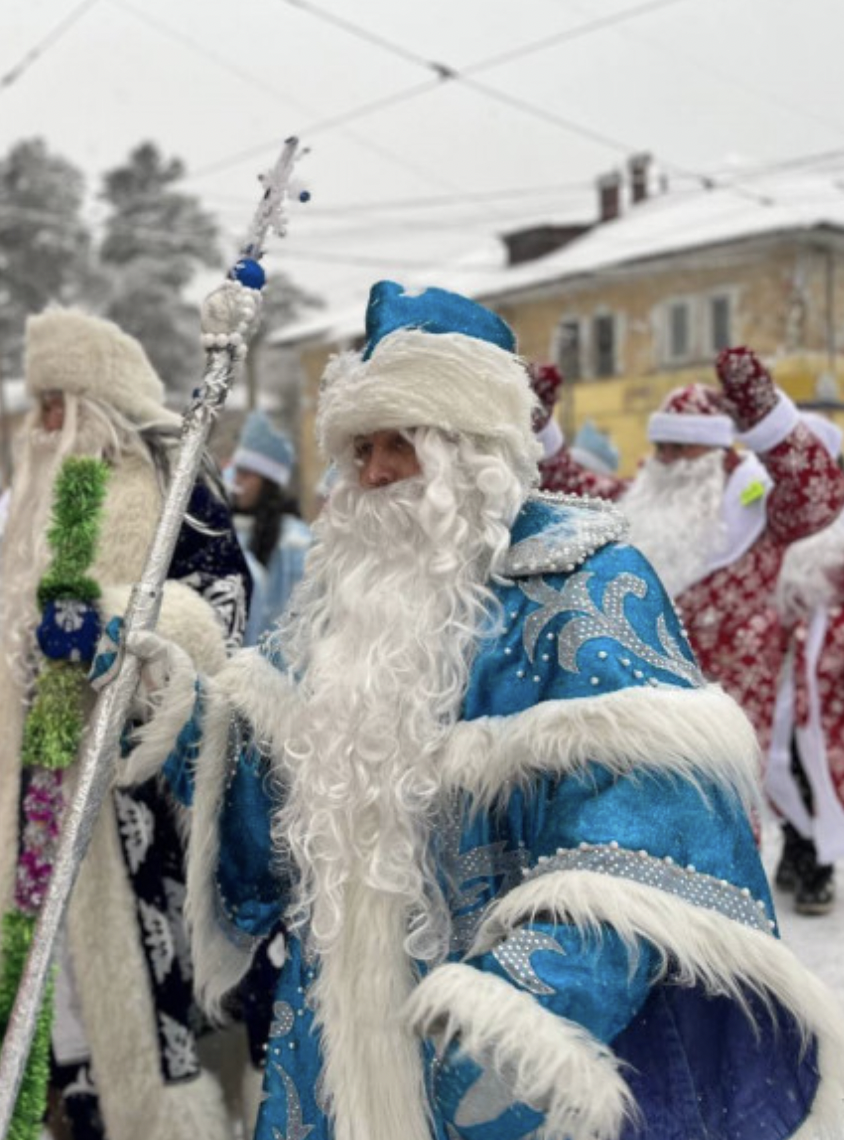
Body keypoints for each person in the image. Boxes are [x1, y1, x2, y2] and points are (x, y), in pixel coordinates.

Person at [115, 281, 844, 1139]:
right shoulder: (335, 607)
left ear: (474, 451)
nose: (376, 473)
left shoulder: (583, 590)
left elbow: (649, 832)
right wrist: (175, 704)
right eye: (360, 449)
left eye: (403, 444)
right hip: (333, 1046)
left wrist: (527, 994)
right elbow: (270, 820)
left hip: (497, 1056)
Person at [0, 309, 251, 1140]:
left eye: (52, 406)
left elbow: (222, 616)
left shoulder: (176, 486)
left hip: (133, 786)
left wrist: (113, 624)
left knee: (139, 982)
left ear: (91, 406)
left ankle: (144, 1115)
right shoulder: (39, 503)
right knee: (39, 969)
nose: (38, 428)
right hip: (35, 777)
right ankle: (54, 1104)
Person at [530, 356, 844, 754]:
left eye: (682, 447)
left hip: (730, 729)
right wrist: (537, 420)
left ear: (719, 454)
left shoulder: (759, 514)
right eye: (661, 447)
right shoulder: (637, 501)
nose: (667, 460)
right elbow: (567, 488)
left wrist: (762, 410)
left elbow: (815, 492)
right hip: (641, 722)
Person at [769, 413, 844, 916]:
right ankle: (797, 847)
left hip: (830, 666)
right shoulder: (779, 514)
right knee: (784, 758)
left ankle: (816, 863)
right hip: (786, 662)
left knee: (821, 761)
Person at [228, 410, 309, 644]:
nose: (236, 481)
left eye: (246, 474)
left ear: (268, 483)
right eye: (237, 472)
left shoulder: (294, 542)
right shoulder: (229, 527)